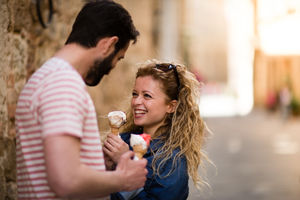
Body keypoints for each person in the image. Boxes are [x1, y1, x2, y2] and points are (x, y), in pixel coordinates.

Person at [15, 1, 147, 199]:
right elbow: (65, 180)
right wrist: (123, 179)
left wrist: (96, 164)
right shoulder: (64, 83)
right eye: (118, 58)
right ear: (108, 45)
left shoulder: (48, 77)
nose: (112, 69)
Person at [103, 60, 209, 200]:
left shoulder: (172, 160)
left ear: (171, 106)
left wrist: (126, 162)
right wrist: (106, 169)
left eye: (147, 95)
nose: (136, 102)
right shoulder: (123, 141)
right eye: (135, 94)